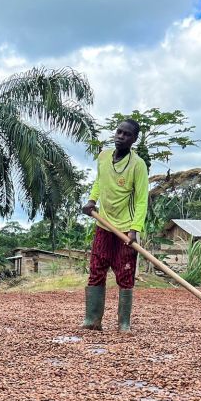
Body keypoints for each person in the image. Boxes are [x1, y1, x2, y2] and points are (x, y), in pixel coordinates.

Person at [80, 119, 148, 332]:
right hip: (105, 224)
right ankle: (92, 320)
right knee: (97, 269)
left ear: (133, 139)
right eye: (119, 132)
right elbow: (99, 181)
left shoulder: (138, 165)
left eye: (126, 134)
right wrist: (92, 200)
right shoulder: (103, 157)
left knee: (125, 273)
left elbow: (141, 200)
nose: (120, 136)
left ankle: (123, 324)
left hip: (126, 230)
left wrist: (134, 229)